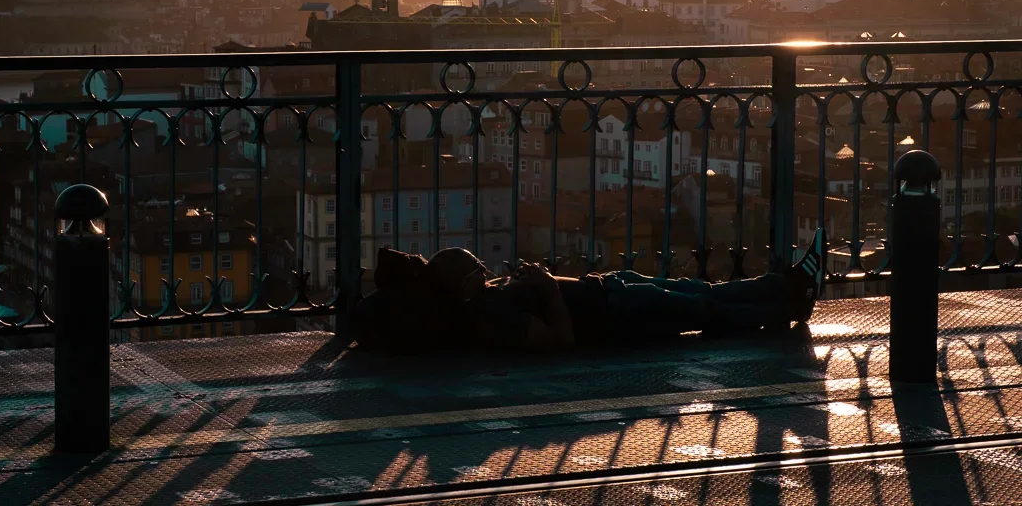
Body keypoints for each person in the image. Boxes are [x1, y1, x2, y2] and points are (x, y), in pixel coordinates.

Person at [352, 230, 826, 354]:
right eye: (478, 270)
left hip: (609, 289)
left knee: (699, 289)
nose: (487, 271)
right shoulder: (487, 319)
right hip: (612, 313)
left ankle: (785, 288)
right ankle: (789, 294)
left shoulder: (487, 302)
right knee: (703, 307)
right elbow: (561, 340)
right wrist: (543, 286)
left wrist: (533, 283)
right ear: (465, 286)